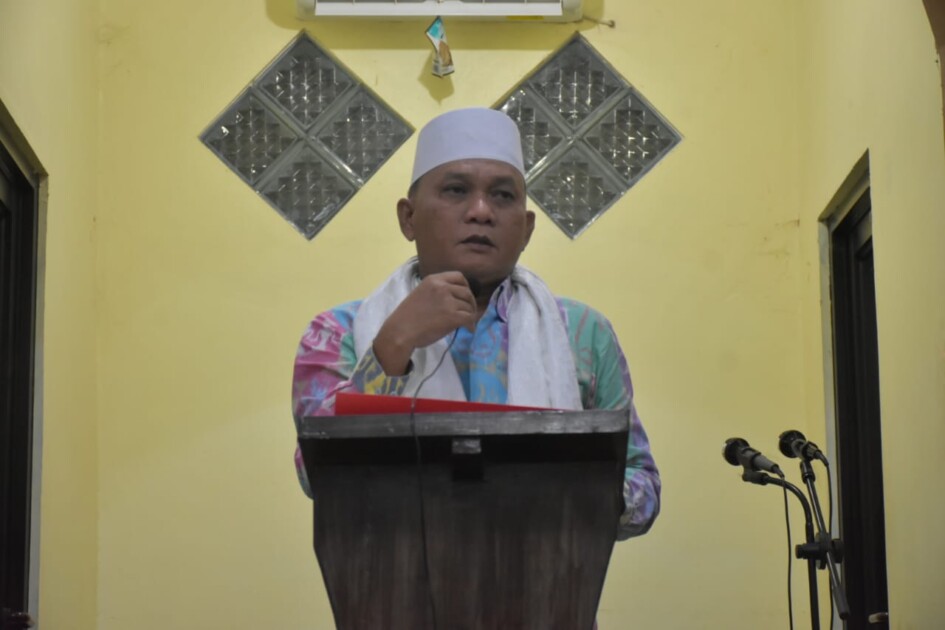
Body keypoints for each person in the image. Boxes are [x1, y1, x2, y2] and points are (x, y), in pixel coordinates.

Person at [292, 107, 660, 540]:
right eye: (456, 190)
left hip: (549, 577)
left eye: (502, 196)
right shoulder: (337, 331)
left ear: (526, 229)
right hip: (394, 579)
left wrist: (561, 493)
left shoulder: (581, 332)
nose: (482, 211)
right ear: (408, 218)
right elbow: (317, 476)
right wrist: (392, 345)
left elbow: (642, 486)